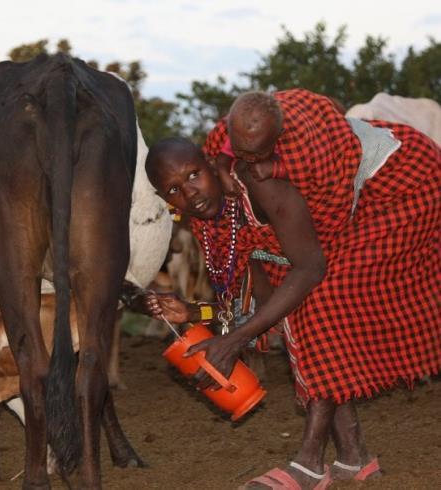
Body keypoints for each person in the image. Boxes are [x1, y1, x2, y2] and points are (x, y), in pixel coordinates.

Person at [140, 89, 441, 489]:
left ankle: (310, 464)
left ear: (212, 164)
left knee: (321, 303)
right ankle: (354, 458)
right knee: (300, 311)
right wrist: (195, 314)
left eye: (193, 176)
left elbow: (312, 268)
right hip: (353, 207)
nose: (190, 193)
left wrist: (235, 342)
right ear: (166, 201)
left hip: (403, 189)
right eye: (174, 189)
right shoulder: (214, 219)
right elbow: (262, 306)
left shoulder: (263, 183)